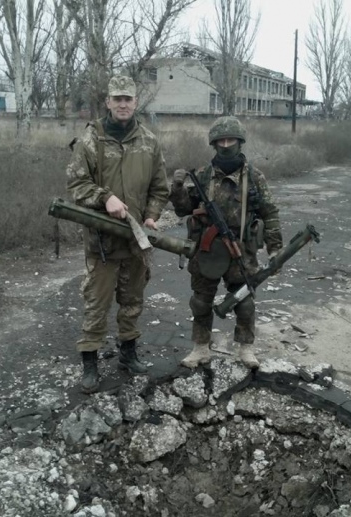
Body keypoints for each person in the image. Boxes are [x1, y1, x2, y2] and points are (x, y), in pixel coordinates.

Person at [66, 75, 169, 393]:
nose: (123, 104)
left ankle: (128, 353)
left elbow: (159, 188)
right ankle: (90, 363)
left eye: (128, 99)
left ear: (136, 102)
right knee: (96, 303)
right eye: (117, 99)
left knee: (132, 300)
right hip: (103, 241)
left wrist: (151, 216)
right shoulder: (91, 139)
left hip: (136, 241)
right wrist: (104, 197)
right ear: (108, 102)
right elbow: (76, 184)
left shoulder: (149, 141)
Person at [169, 116, 283, 369]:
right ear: (214, 144)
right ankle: (200, 347)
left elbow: (270, 213)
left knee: (244, 301)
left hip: (241, 249)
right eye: (221, 141)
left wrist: (275, 248)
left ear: (240, 142)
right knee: (201, 301)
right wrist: (177, 188)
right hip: (207, 249)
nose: (226, 145)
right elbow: (183, 209)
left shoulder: (254, 177)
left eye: (231, 140)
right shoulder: (203, 175)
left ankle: (245, 348)